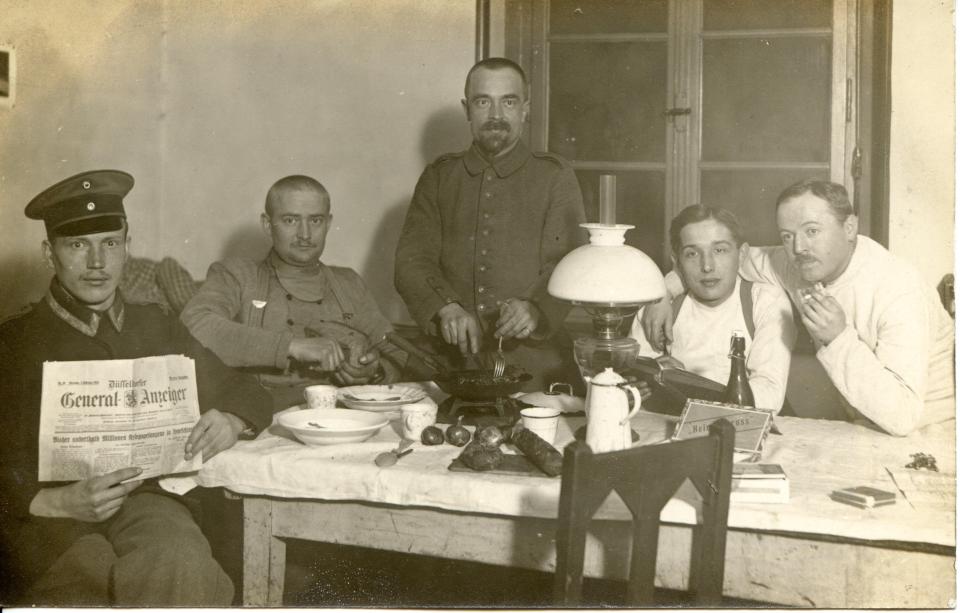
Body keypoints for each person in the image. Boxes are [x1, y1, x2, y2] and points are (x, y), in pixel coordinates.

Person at [0, 170, 273, 606]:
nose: (97, 263)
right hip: (47, 523)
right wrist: (49, 502)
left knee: (180, 562)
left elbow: (245, 389)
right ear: (48, 253)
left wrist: (232, 419)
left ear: (128, 247)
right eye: (77, 246)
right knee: (92, 581)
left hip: (144, 503)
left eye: (109, 243)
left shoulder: (157, 325)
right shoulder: (13, 342)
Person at [642, 179, 955, 435]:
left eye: (812, 231)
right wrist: (663, 293)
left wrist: (838, 338)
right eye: (787, 236)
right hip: (862, 426)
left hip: (928, 435)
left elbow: (903, 417)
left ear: (849, 228)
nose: (798, 248)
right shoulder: (799, 263)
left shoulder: (898, 289)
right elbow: (725, 260)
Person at [394, 57, 587, 392]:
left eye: (508, 102)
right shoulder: (440, 177)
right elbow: (411, 262)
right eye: (484, 102)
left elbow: (570, 261)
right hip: (452, 363)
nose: (496, 115)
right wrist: (445, 307)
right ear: (467, 109)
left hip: (535, 367)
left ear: (525, 109)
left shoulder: (554, 175)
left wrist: (535, 309)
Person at [181, 175, 406, 411]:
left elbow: (397, 350)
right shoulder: (237, 275)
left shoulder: (348, 283)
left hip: (343, 421)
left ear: (328, 224)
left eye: (316, 220)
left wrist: (375, 371)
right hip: (261, 419)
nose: (305, 234)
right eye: (290, 220)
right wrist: (292, 346)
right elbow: (195, 325)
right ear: (268, 225)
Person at [630, 205, 795, 413]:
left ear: (742, 254)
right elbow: (634, 382)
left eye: (719, 250)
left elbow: (768, 395)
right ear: (676, 260)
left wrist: (685, 383)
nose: (707, 266)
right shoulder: (659, 308)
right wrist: (635, 390)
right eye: (692, 253)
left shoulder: (764, 301)